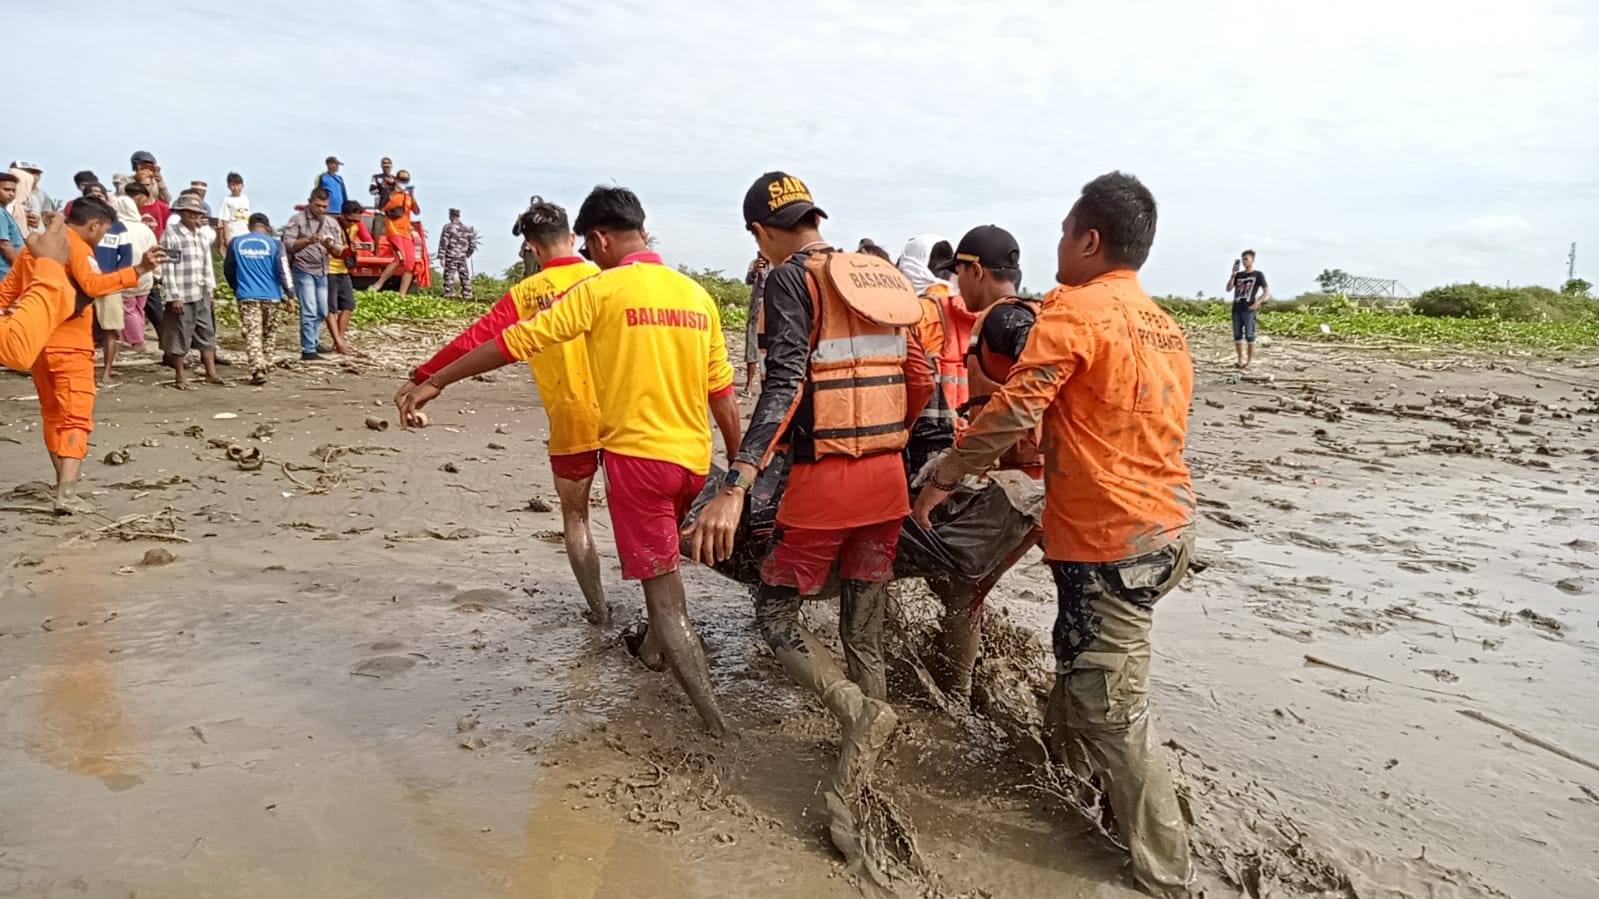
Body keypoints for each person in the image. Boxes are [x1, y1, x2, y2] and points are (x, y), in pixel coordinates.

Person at [913, 172, 1196, 897]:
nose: (1058, 250)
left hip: (1113, 538)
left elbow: (1014, 411)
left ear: (1089, 238)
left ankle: (1165, 873)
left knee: (1114, 708)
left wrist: (945, 472)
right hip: (1161, 526)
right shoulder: (1163, 323)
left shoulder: (1074, 312)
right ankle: (1064, 783)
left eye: (1064, 234)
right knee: (1078, 663)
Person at [399, 186, 742, 738]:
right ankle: (652, 657)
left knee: (666, 599)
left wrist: (435, 379)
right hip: (693, 459)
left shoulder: (601, 290)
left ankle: (720, 729)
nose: (591, 254)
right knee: (666, 566)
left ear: (602, 238)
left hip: (636, 460)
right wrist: (736, 472)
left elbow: (513, 342)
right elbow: (723, 394)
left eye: (593, 244)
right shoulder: (696, 295)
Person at [684, 172, 934, 865]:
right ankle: (867, 759)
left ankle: (858, 715)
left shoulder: (786, 281)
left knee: (774, 615)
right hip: (887, 482)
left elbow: (786, 380)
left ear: (761, 234)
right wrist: (889, 436)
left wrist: (738, 478)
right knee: (863, 623)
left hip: (825, 487)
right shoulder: (879, 276)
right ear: (813, 217)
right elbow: (922, 376)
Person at [395, 198, 608, 624]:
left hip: (571, 418)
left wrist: (425, 375)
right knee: (644, 518)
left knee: (575, 518)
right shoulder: (607, 279)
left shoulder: (527, 294)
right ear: (573, 237)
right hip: (626, 412)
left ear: (530, 247)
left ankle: (600, 611)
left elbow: (478, 339)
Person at [923, 224, 1045, 704]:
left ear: (975, 269)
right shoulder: (1023, 313)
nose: (958, 288)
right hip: (1041, 479)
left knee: (961, 586)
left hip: (1023, 484)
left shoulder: (1003, 319)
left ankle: (957, 696)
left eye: (960, 276)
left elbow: (1035, 377)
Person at [0, 199, 162, 512]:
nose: (103, 238)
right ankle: (68, 495)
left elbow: (6, 292)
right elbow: (93, 284)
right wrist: (139, 270)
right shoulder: (76, 247)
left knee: (52, 414)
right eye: (104, 231)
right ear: (93, 225)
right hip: (71, 344)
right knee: (75, 417)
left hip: (37, 343)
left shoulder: (37, 249)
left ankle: (62, 483)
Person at [159, 193, 222, 389]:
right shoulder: (172, 234)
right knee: (181, 334)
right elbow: (168, 267)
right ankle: (180, 376)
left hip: (201, 290)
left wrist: (210, 291)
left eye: (198, 215)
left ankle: (211, 373)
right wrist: (174, 296)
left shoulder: (201, 235)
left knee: (207, 332)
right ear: (182, 214)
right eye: (191, 214)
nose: (195, 218)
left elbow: (207, 265)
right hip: (183, 293)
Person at [225, 213, 294, 384]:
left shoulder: (236, 242)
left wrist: (237, 287)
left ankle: (258, 368)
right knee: (269, 332)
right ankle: (266, 362)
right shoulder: (275, 244)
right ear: (268, 227)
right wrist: (290, 294)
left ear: (249, 226)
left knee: (253, 333)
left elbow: (228, 269)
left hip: (247, 295)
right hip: (272, 296)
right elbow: (283, 269)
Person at [281, 187, 343, 362]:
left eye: (325, 206)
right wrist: (308, 240)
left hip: (323, 269)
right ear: (310, 202)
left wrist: (329, 245)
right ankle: (308, 349)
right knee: (309, 309)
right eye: (318, 205)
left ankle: (314, 341)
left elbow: (339, 250)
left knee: (323, 310)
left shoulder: (331, 223)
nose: (321, 210)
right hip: (303, 269)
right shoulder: (297, 220)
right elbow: (287, 244)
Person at [85, 185, 134, 385]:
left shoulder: (118, 227)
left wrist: (116, 277)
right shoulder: (80, 225)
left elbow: (126, 255)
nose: (97, 197)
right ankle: (85, 370)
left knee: (110, 329)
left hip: (109, 284)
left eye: (100, 194)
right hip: (84, 282)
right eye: (93, 195)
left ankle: (106, 372)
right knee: (83, 329)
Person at [109, 196, 158, 358]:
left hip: (126, 273)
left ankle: (137, 342)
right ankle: (133, 338)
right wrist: (157, 273)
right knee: (138, 308)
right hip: (146, 273)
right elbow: (155, 250)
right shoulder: (145, 229)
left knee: (128, 309)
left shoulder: (116, 228)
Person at [327, 201, 372, 354]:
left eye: (356, 220)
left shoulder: (358, 225)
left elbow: (370, 244)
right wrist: (346, 248)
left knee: (348, 305)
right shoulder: (332, 225)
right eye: (350, 220)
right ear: (342, 215)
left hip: (344, 270)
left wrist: (357, 246)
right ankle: (339, 342)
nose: (352, 223)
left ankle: (338, 341)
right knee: (331, 308)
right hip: (329, 269)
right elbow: (330, 246)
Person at [372, 171, 418, 297]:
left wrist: (412, 195)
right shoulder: (390, 194)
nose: (403, 182)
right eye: (401, 180)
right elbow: (381, 208)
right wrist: (391, 191)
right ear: (396, 180)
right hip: (394, 230)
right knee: (400, 257)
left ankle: (402, 295)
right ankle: (379, 284)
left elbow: (416, 211)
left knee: (410, 264)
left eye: (406, 180)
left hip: (406, 232)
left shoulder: (408, 197)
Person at [1226, 249, 1269, 368]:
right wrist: (1233, 275)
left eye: (1246, 259)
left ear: (1252, 260)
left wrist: (1258, 302)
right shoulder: (1239, 275)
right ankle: (1240, 359)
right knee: (1237, 335)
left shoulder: (1258, 274)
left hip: (1249, 308)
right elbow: (1229, 288)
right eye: (1243, 259)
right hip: (1237, 308)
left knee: (1250, 335)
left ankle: (1249, 361)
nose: (1244, 262)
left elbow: (1266, 291)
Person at [741, 254, 768, 395]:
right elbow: (748, 280)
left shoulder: (779, 265)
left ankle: (767, 385)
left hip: (772, 314)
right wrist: (754, 272)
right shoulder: (755, 264)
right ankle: (749, 384)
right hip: (756, 313)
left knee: (768, 351)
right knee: (752, 349)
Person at [437, 208, 477, 300]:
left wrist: (442, 256)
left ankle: (450, 295)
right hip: (462, 257)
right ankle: (467, 295)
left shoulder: (448, 227)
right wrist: (467, 254)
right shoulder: (467, 229)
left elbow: (444, 242)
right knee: (465, 277)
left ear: (451, 215)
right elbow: (472, 245)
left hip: (451, 256)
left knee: (449, 276)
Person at [512, 195, 546, 277]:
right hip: (530, 248)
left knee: (545, 273)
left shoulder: (547, 217)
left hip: (544, 248)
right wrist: (518, 223)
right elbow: (516, 233)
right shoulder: (526, 217)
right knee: (530, 275)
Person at [216, 172, 251, 249]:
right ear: (228, 186)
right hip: (233, 233)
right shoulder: (226, 200)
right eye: (233, 185)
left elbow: (247, 218)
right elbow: (224, 220)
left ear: (242, 185)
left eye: (238, 185)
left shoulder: (246, 199)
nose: (235, 188)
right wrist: (226, 239)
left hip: (245, 233)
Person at [0, 173, 24, 281]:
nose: (11, 194)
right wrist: (22, 267)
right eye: (6, 190)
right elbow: (4, 245)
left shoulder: (4, 212)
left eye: (14, 190)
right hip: (5, 273)